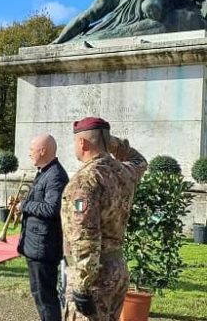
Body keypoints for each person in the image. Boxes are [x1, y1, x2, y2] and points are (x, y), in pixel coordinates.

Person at [62, 117, 147, 321]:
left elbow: (85, 236)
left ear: (82, 143)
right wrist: (112, 142)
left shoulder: (85, 181)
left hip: (94, 277)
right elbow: (139, 161)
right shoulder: (124, 171)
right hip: (116, 268)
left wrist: (82, 285)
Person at [16, 134, 69, 321]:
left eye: (32, 150)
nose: (29, 154)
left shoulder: (55, 175)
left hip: (43, 247)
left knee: (45, 297)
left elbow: (52, 209)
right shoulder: (44, 171)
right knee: (40, 295)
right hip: (36, 244)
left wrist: (24, 206)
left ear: (43, 151)